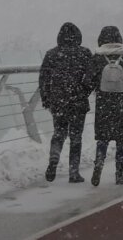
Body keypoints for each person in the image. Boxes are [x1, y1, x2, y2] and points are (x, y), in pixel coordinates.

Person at [84, 26, 123, 186]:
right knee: (121, 140)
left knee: (103, 138)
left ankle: (99, 164)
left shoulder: (97, 58)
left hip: (104, 104)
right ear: (119, 39)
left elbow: (88, 81)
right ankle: (119, 174)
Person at [38, 22, 92, 183]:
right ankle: (74, 172)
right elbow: (90, 78)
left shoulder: (51, 54)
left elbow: (43, 79)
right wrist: (83, 92)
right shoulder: (84, 53)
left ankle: (54, 158)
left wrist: (47, 99)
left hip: (58, 101)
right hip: (78, 101)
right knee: (76, 138)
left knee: (59, 133)